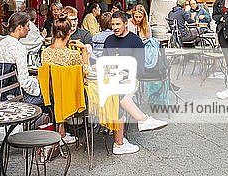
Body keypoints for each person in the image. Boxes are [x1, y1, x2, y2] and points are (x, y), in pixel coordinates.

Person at [103, 11, 168, 155]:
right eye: (113, 24)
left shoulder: (135, 41)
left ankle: (119, 142)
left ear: (126, 24)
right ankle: (141, 120)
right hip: (110, 79)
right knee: (115, 91)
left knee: (117, 92)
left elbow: (139, 69)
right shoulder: (108, 40)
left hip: (130, 80)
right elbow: (103, 62)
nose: (114, 27)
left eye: (118, 24)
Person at [41, 15, 89, 144]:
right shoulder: (72, 54)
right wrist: (84, 50)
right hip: (70, 97)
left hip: (51, 95)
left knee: (60, 88)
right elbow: (86, 72)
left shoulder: (45, 52)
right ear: (68, 33)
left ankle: (60, 129)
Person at [0, 12, 42, 104]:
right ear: (20, 27)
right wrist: (36, 81)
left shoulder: (1, 43)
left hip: (1, 92)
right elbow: (24, 83)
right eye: (27, 26)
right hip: (17, 96)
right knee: (49, 95)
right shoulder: (19, 48)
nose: (29, 29)